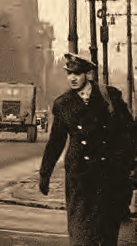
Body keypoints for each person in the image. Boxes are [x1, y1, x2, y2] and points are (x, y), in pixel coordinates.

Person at [39, 52, 135, 246]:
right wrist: (45, 174)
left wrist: (126, 165)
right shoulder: (63, 104)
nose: (73, 78)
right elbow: (56, 142)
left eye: (78, 73)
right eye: (69, 74)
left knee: (106, 232)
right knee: (80, 231)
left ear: (88, 74)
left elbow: (129, 133)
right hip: (79, 177)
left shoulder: (109, 97)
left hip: (107, 175)